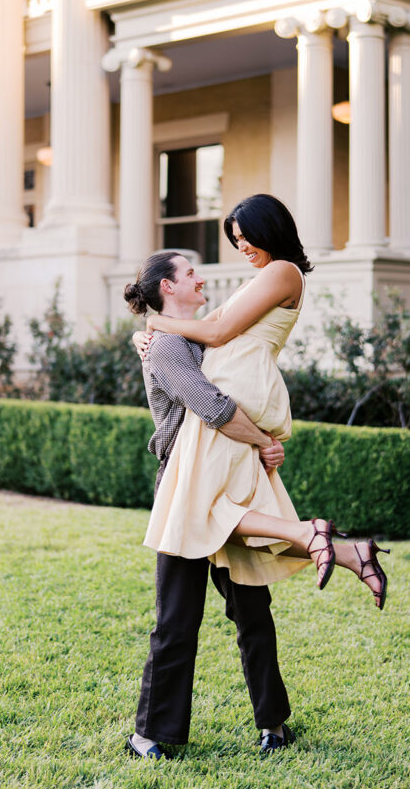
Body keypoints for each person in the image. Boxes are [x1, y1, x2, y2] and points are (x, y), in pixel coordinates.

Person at [142, 194, 389, 603]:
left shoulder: (283, 272)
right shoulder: (262, 277)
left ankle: (311, 534)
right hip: (232, 382)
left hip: (241, 384)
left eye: (245, 237)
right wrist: (151, 336)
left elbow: (218, 335)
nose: (241, 247)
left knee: (201, 504)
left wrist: (154, 320)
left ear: (268, 229)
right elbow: (205, 326)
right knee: (236, 506)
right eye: (236, 240)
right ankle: (349, 554)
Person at [123, 250, 296, 759]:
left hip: (231, 485)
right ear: (167, 289)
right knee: (177, 617)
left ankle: (274, 725)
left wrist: (266, 441)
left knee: (252, 609)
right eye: (190, 272)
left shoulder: (207, 336)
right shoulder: (166, 346)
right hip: (187, 494)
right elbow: (213, 406)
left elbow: (244, 388)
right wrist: (263, 442)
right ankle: (151, 735)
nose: (201, 278)